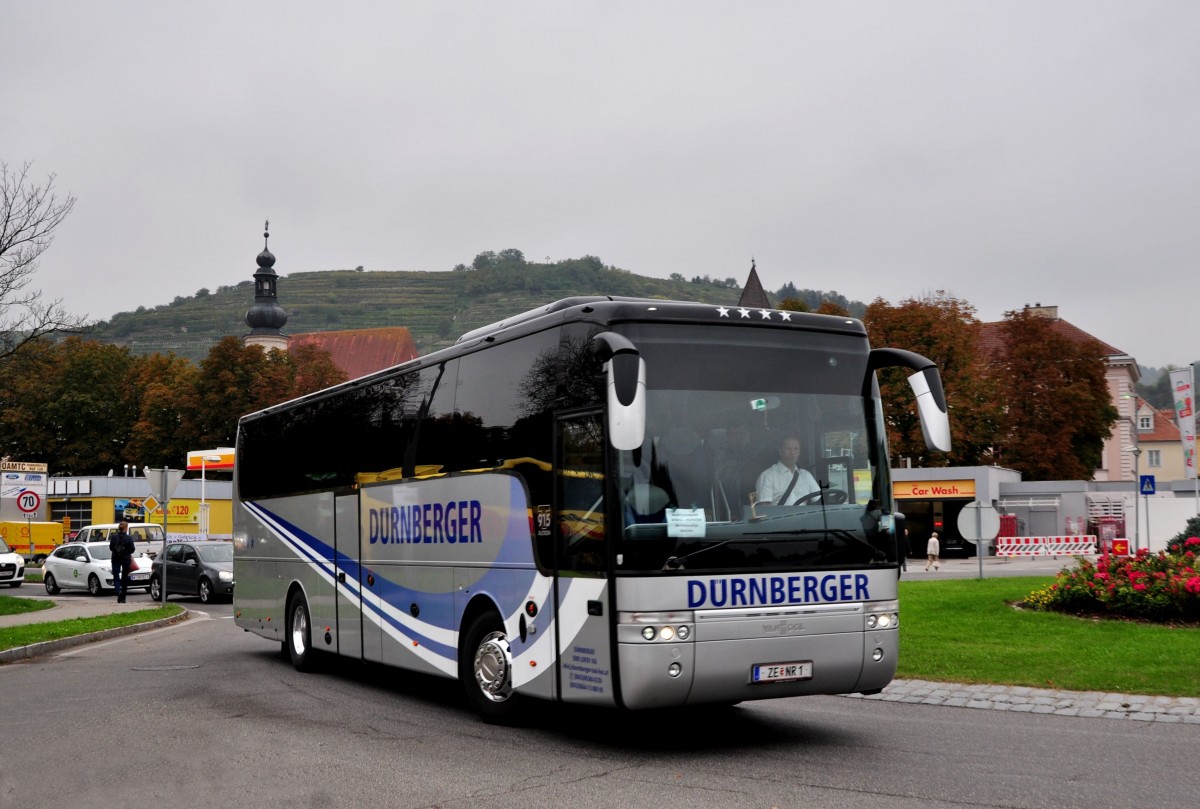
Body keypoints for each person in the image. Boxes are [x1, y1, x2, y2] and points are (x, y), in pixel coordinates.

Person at [755, 435, 820, 506]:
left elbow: (818, 500)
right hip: (781, 516)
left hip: (805, 516)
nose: (792, 452)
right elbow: (765, 509)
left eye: (795, 449)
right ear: (780, 451)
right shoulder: (767, 476)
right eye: (788, 448)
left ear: (799, 452)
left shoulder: (806, 475)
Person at [109, 521, 136, 603]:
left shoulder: (114, 537)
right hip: (125, 559)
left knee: (116, 576)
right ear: (126, 528)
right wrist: (126, 553)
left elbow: (111, 547)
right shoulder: (129, 538)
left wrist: (116, 552)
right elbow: (132, 549)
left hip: (115, 558)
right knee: (124, 578)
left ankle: (118, 592)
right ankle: (123, 597)